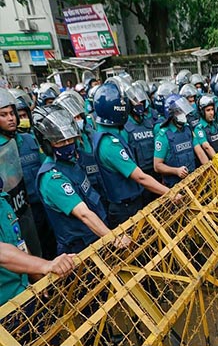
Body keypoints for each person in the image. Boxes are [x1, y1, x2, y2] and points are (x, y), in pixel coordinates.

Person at [33, 105, 131, 254]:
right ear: (46, 144)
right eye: (60, 142)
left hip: (96, 236)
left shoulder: (73, 163)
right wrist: (114, 238)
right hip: (80, 249)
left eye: (70, 140)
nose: (67, 145)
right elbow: (83, 213)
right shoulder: (51, 178)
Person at [92, 82, 176, 228]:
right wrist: (171, 194)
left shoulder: (105, 134)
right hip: (125, 209)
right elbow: (140, 177)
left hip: (129, 203)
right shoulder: (109, 143)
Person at [0, 175, 75, 306]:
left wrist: (37, 277)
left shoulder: (3, 201)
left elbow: (18, 244)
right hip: (5, 311)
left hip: (25, 295)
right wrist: (44, 266)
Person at [0, 88, 42, 258]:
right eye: (3, 114)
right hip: (9, 216)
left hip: (29, 209)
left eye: (12, 113)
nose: (10, 118)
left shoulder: (27, 139)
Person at [154, 94, 207, 188]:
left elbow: (200, 152)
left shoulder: (187, 130)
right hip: (175, 188)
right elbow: (157, 166)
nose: (183, 114)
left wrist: (210, 167)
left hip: (192, 183)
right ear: (171, 114)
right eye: (179, 112)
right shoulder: (163, 136)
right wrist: (176, 171)